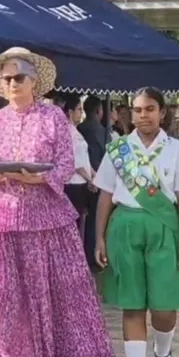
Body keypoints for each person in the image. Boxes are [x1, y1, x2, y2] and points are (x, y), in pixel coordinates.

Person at [0, 47, 117, 357]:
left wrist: (33, 179)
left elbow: (64, 165)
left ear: (35, 81)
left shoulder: (52, 119)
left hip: (42, 219)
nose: (13, 83)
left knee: (36, 297)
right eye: (7, 78)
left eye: (19, 76)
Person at [94, 86, 179, 357]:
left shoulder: (177, 150)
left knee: (164, 307)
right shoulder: (118, 150)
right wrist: (99, 237)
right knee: (133, 303)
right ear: (131, 114)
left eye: (150, 109)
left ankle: (163, 351)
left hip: (165, 229)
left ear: (162, 112)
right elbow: (104, 196)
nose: (143, 116)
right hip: (125, 227)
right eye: (138, 110)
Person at [78, 95, 108, 266]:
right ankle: (94, 255)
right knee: (96, 220)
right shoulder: (101, 131)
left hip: (85, 178)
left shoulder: (80, 128)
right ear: (98, 111)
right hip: (97, 177)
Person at [62, 94, 96, 235]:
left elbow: (84, 159)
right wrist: (90, 180)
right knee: (74, 226)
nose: (81, 113)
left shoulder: (76, 131)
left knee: (81, 222)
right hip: (74, 184)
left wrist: (94, 174)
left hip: (82, 183)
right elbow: (75, 163)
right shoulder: (67, 132)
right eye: (78, 110)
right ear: (70, 112)